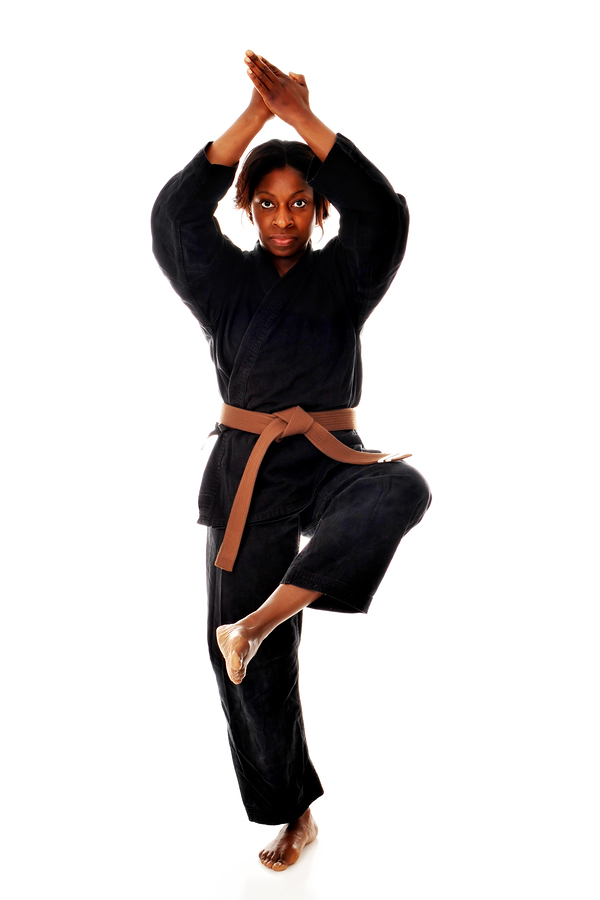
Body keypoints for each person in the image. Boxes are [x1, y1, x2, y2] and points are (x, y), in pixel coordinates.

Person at [151, 50, 431, 872]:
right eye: (267, 203)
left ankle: (261, 619)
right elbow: (173, 217)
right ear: (248, 207)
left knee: (403, 487)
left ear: (318, 210)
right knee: (244, 675)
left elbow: (386, 214)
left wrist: (303, 115)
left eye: (299, 202)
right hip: (247, 474)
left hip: (331, 458)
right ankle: (292, 811)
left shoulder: (347, 275)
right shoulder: (222, 285)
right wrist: (256, 116)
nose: (282, 218)